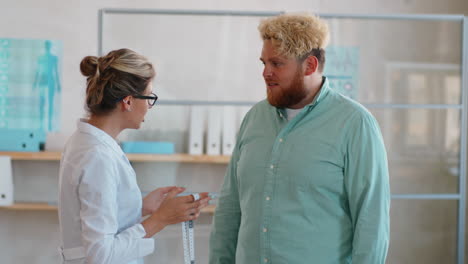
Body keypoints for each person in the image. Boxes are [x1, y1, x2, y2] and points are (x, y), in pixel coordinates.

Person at [209, 13, 390, 264]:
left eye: (277, 64)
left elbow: (372, 219)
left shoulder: (355, 124)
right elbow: (230, 208)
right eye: (264, 63)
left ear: (310, 66)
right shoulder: (254, 118)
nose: (266, 73)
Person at [58, 48, 211, 264]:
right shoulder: (97, 155)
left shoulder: (90, 143)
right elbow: (101, 254)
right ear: (127, 101)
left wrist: (140, 208)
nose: (150, 106)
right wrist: (160, 219)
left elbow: (96, 217)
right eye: (149, 97)